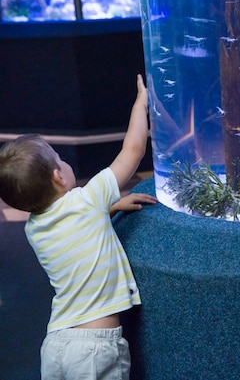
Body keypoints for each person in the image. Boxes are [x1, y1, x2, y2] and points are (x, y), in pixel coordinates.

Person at [0, 74, 151, 380]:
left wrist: (110, 206)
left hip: (56, 343)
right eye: (60, 157)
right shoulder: (86, 200)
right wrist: (141, 103)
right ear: (59, 176)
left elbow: (76, 226)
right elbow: (133, 150)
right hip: (94, 349)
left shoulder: (34, 227)